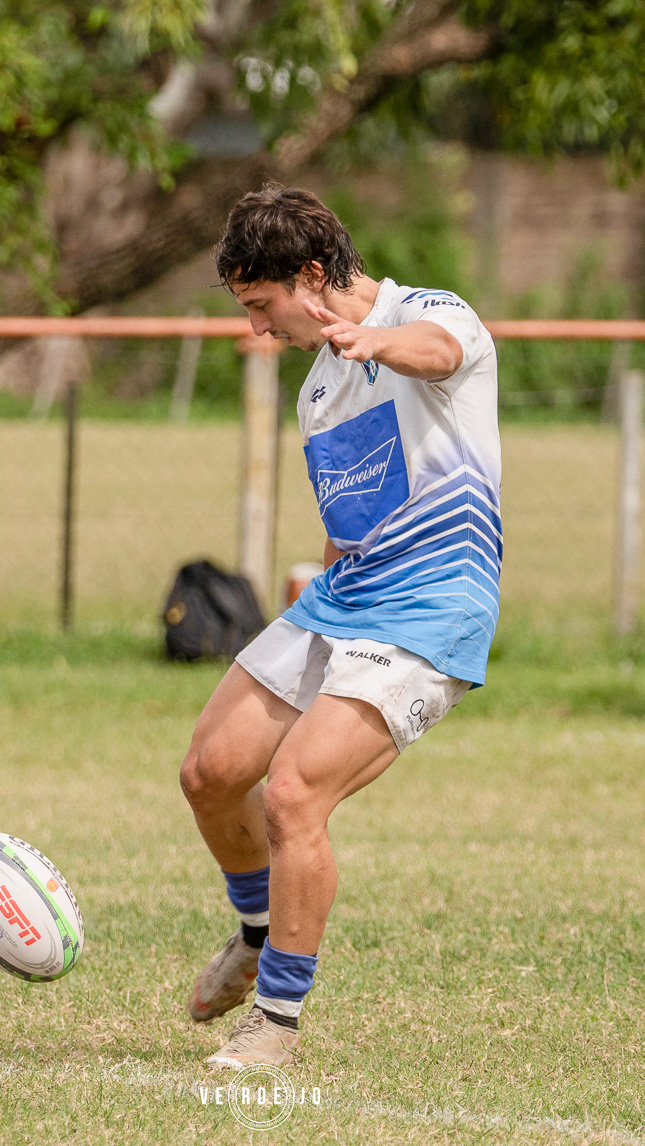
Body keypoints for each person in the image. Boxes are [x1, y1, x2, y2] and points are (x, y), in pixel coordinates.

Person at [177, 186, 500, 1068]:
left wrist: (373, 340)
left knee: (292, 795)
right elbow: (351, 513)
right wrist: (312, 593)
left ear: (311, 276)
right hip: (349, 593)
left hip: (435, 602)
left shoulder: (428, 313)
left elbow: (438, 354)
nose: (256, 330)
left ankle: (274, 1024)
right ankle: (255, 930)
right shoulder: (319, 390)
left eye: (260, 306)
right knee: (210, 772)